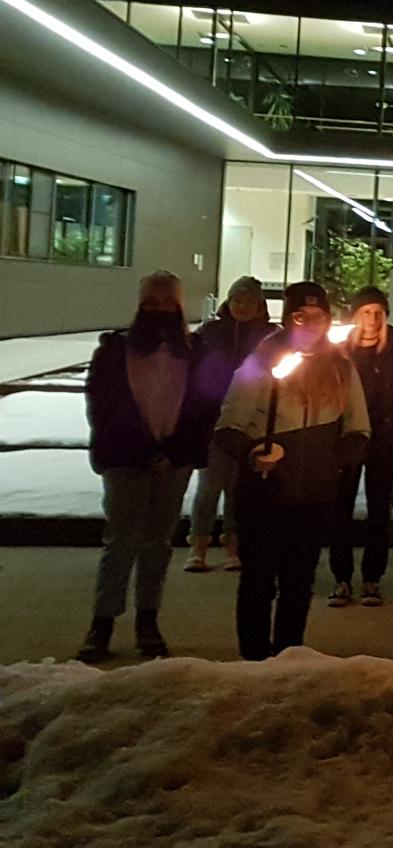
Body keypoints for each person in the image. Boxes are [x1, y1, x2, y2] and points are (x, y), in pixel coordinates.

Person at [212, 281, 370, 661]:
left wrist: (334, 460)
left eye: (318, 316)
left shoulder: (341, 368)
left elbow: (359, 429)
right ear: (287, 319)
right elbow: (227, 428)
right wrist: (254, 453)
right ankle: (253, 658)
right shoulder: (261, 362)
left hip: (313, 497)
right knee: (258, 581)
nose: (310, 323)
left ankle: (288, 658)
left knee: (299, 583)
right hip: (264, 494)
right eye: (300, 315)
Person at [77, 272, 218, 663]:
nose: (158, 307)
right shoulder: (114, 351)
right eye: (151, 300)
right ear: (141, 304)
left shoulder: (195, 351)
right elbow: (102, 409)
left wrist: (173, 450)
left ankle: (147, 621)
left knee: (157, 544)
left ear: (179, 304)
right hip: (125, 460)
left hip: (175, 461)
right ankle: (102, 623)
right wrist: (142, 450)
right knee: (120, 541)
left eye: (166, 300)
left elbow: (205, 408)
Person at [327, 287, 393, 608]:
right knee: (339, 510)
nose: (372, 319)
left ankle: (372, 578)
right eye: (366, 312)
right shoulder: (340, 351)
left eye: (378, 312)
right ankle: (341, 577)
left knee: (380, 511)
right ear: (355, 315)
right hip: (348, 441)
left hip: (385, 441)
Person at [185, 275, 272, 572]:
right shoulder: (210, 333)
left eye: (249, 301)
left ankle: (233, 545)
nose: (242, 306)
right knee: (209, 486)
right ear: (228, 302)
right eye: (237, 300)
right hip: (214, 421)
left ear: (260, 305)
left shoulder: (270, 336)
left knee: (238, 488)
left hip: (251, 424)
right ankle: (198, 544)